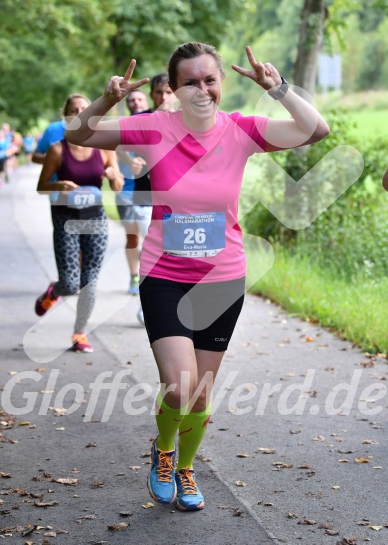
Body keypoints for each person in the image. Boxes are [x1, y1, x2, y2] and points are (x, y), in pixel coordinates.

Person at [65, 42, 330, 510]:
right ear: (174, 88)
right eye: (190, 81)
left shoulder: (243, 130)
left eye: (209, 79)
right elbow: (80, 135)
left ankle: (185, 468)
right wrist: (107, 98)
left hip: (223, 278)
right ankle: (163, 450)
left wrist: (279, 89)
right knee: (180, 384)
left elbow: (317, 130)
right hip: (165, 274)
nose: (202, 89)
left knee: (201, 395)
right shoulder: (151, 128)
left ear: (221, 84)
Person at [35, 94, 123, 353]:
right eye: (74, 111)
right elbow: (41, 187)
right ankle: (55, 290)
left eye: (84, 109)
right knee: (71, 283)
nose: (79, 114)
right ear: (67, 118)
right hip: (65, 218)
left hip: (95, 217)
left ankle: (79, 333)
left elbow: (117, 187)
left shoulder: (105, 148)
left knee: (90, 280)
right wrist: (57, 185)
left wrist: (112, 175)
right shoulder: (57, 150)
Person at [118, 74, 175, 321]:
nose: (163, 97)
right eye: (159, 92)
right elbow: (118, 146)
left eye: (169, 92)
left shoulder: (190, 121)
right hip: (145, 199)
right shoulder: (142, 121)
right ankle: (149, 303)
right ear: (151, 94)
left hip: (178, 202)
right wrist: (130, 161)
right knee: (153, 251)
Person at [116, 89, 150, 295]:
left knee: (153, 239)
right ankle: (134, 276)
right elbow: (114, 152)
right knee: (132, 238)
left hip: (150, 193)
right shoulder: (122, 128)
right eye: (131, 100)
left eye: (139, 99)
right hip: (126, 192)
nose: (135, 102)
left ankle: (151, 276)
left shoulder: (155, 126)